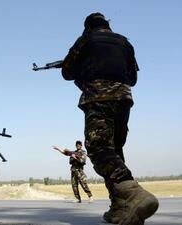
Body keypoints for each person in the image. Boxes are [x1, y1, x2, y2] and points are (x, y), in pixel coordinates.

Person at [61, 13, 158, 224]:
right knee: (114, 152)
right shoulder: (125, 43)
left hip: (98, 98)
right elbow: (132, 78)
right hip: (123, 100)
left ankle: (133, 192)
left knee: (98, 148)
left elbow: (67, 72)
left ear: (87, 28)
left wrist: (83, 69)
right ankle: (121, 207)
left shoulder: (85, 40)